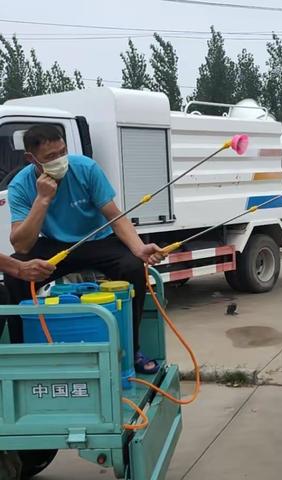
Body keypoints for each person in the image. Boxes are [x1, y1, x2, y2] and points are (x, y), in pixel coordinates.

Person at [4, 124, 165, 374]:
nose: (60, 161)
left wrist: (139, 247)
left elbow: (114, 216)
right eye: (50, 157)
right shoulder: (20, 186)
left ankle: (132, 350)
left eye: (62, 152)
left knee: (133, 267)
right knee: (15, 274)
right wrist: (42, 199)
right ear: (31, 159)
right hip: (56, 245)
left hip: (98, 239)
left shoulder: (86, 169)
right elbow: (21, 243)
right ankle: (24, 354)